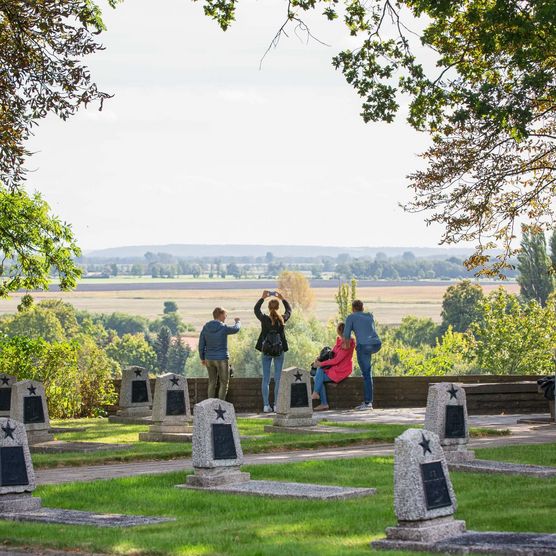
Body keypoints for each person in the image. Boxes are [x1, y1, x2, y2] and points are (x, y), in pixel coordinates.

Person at [254, 290, 292, 413]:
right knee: (278, 378)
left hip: (266, 351)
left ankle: (266, 405)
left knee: (265, 379)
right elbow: (289, 311)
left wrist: (262, 298)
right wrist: (283, 298)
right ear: (278, 307)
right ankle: (276, 405)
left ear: (269, 307)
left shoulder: (264, 319)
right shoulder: (282, 319)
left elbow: (256, 310)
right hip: (279, 350)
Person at [343, 299, 381, 410]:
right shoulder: (370, 316)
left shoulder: (351, 317)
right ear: (362, 308)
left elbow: (346, 336)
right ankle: (368, 402)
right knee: (368, 372)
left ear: (353, 309)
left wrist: (346, 347)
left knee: (366, 374)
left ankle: (368, 403)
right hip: (376, 344)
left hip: (364, 345)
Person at [199, 307, 241, 400]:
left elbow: (201, 344)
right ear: (221, 315)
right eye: (225, 315)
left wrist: (202, 358)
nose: (226, 317)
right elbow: (236, 329)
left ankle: (210, 405)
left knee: (212, 382)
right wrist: (238, 321)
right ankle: (220, 405)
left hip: (209, 359)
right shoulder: (223, 327)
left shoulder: (205, 328)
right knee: (224, 382)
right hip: (221, 358)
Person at [311, 322, 355, 411]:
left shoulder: (347, 344)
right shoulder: (340, 342)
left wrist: (321, 364)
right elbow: (333, 354)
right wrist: (320, 359)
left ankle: (319, 397)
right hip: (335, 368)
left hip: (341, 370)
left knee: (319, 374)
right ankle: (322, 401)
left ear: (339, 332)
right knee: (318, 377)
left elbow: (336, 360)